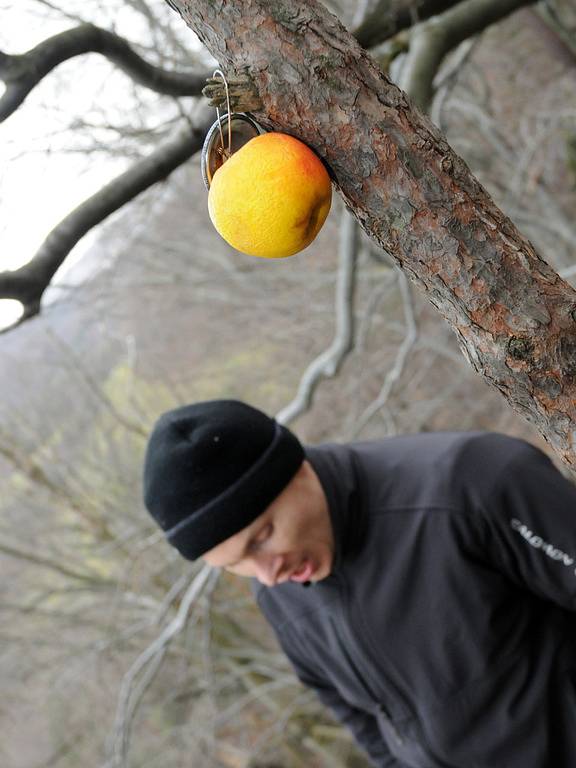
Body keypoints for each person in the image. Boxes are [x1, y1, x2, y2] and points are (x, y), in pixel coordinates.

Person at [143, 399, 576, 768]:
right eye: (236, 564)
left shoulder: (471, 483)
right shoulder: (279, 593)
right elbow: (361, 719)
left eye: (262, 537)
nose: (267, 574)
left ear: (297, 471)